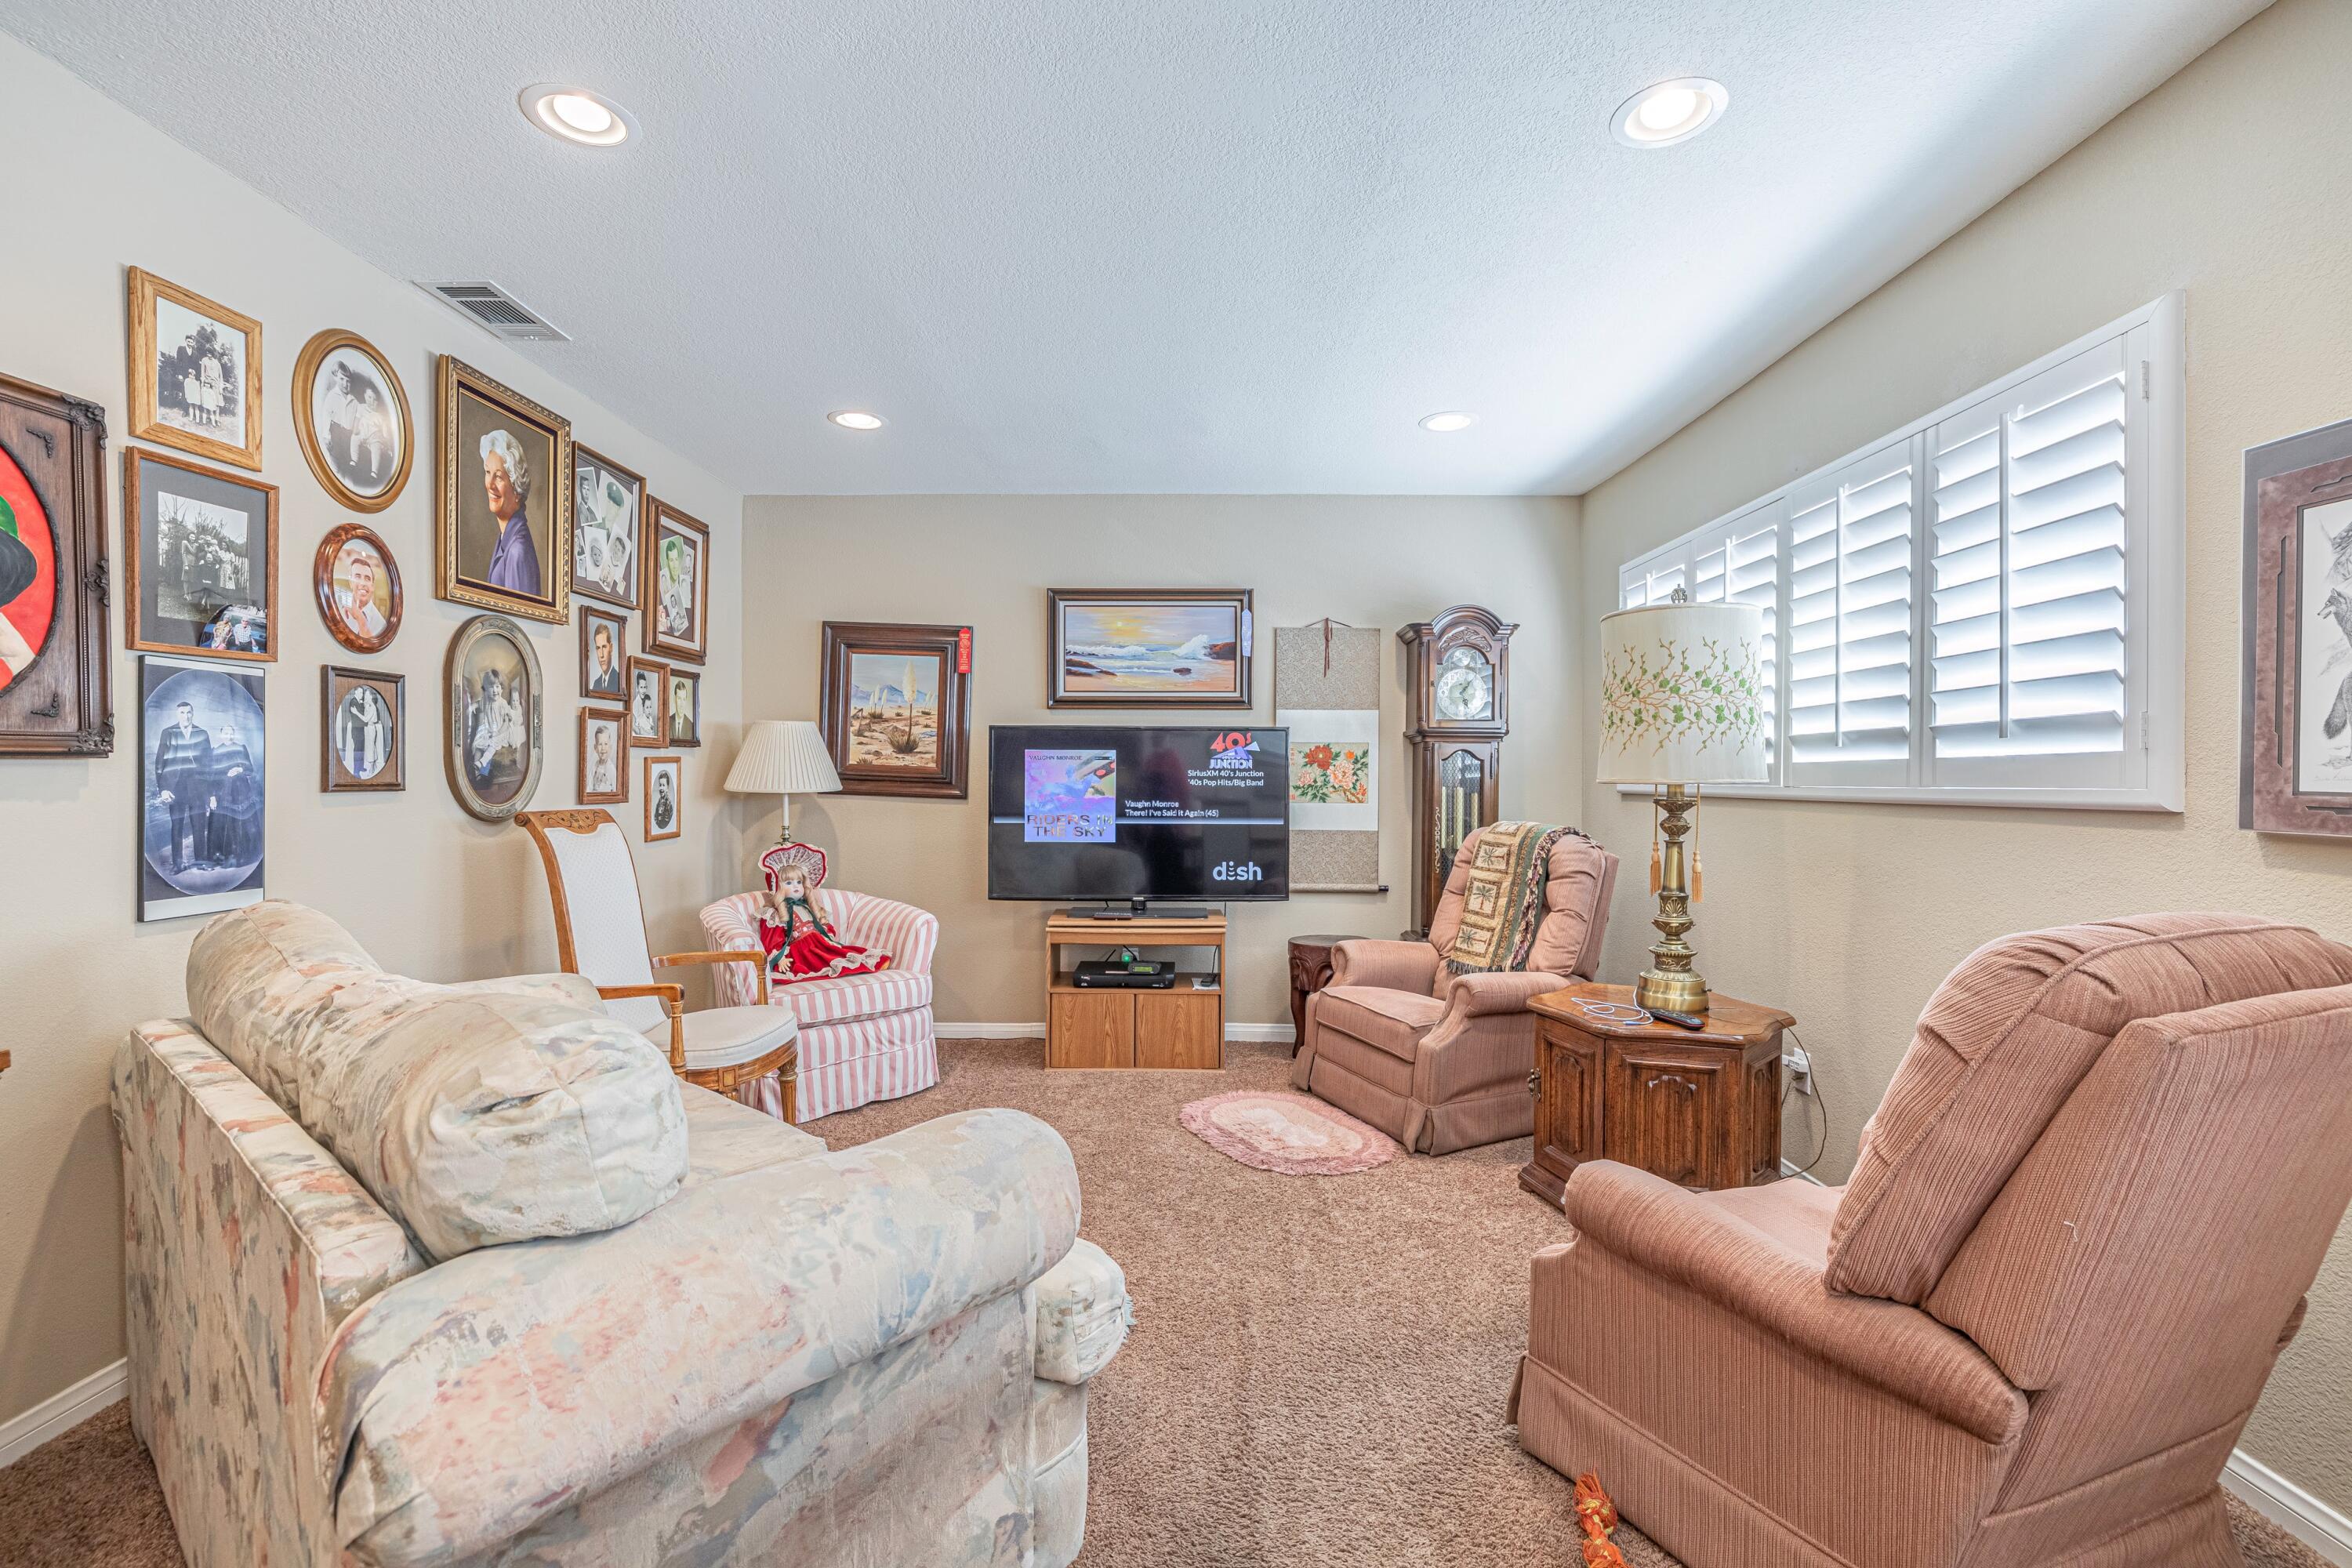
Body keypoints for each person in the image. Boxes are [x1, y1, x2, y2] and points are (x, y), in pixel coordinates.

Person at [757, 855, 891, 985]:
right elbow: (773, 939)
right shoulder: (775, 913)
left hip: (819, 942)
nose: (795, 886)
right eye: (789, 883)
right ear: (777, 887)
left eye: (799, 882)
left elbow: (822, 926)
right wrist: (781, 958)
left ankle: (869, 962)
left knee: (839, 953)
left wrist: (827, 932)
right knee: (822, 961)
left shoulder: (806, 906)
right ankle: (856, 967)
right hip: (802, 951)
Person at [152, 700, 212, 873]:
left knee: (199, 825)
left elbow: (209, 764)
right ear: (177, 715)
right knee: (177, 826)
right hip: (175, 786)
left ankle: (201, 862)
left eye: (189, 713)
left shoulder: (203, 733)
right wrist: (163, 789)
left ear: (193, 714)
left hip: (197, 786)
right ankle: (177, 864)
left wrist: (209, 792)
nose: (186, 716)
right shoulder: (168, 732)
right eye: (182, 713)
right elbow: (159, 762)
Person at [479, 429, 541, 595]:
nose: (490, 485)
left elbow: (516, 620)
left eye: (498, 477)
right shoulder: (506, 538)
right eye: (487, 473)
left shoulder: (517, 551)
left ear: (516, 488)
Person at [205, 719, 261, 867]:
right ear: (221, 735)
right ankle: (224, 857)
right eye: (226, 733)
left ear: (234, 735)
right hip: (222, 793)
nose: (229, 736)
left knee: (241, 824)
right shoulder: (215, 751)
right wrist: (212, 797)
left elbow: (250, 769)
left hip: (241, 793)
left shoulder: (241, 748)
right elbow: (211, 776)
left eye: (231, 733)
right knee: (223, 825)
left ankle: (242, 857)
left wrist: (241, 769)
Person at [468, 667, 524, 794]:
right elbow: (478, 703)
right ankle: (477, 774)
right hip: (489, 730)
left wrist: (497, 733)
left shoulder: (503, 704)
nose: (495, 690)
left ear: (502, 688)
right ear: (485, 690)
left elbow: (506, 724)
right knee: (478, 746)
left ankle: (483, 766)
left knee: (492, 744)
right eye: (491, 687)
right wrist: (472, 706)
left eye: (498, 687)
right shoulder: (485, 701)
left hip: (502, 732)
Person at [335, 549, 387, 642]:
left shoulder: (381, 624)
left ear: (372, 586)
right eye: (358, 577)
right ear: (351, 583)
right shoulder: (336, 602)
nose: (363, 583)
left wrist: (359, 617)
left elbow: (370, 649)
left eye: (367, 579)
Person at [338, 687, 388, 779]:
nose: (363, 695)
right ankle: (356, 771)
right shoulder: (356, 702)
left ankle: (370, 768)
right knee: (361, 750)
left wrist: (356, 712)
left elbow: (365, 718)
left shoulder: (371, 706)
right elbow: (362, 706)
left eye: (366, 694)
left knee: (370, 749)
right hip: (359, 731)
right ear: (356, 692)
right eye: (361, 693)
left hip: (369, 730)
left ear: (371, 697)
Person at [322, 364, 356, 474]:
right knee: (335, 465)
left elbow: (357, 420)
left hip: (349, 437)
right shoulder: (332, 396)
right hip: (336, 433)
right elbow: (326, 416)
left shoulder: (354, 401)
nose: (345, 384)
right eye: (342, 379)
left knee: (348, 468)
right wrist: (326, 437)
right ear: (336, 378)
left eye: (348, 381)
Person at [586, 621, 622, 697]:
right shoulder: (596, 684)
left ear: (611, 648)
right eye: (598, 648)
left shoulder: (619, 680)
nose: (601, 655)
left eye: (604, 647)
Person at [588, 724, 616, 794]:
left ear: (610, 747)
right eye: (600, 744)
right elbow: (590, 786)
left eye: (606, 744)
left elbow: (615, 790)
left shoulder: (611, 768)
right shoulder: (595, 766)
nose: (603, 748)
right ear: (595, 748)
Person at [651, 768, 675, 832]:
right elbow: (655, 816)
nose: (661, 788)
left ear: (667, 788)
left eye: (663, 785)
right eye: (660, 785)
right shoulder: (658, 802)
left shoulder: (668, 803)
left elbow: (670, 817)